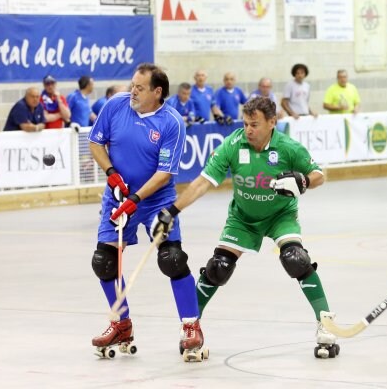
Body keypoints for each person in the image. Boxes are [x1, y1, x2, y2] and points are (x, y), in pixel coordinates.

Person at [151, 97, 340, 359]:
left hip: (280, 215)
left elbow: (319, 175)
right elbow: (202, 183)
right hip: (243, 218)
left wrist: (305, 181)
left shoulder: (288, 148)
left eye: (255, 124)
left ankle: (325, 323)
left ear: (272, 123)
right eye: (245, 123)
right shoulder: (233, 144)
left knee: (296, 259)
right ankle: (191, 326)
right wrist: (172, 211)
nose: (248, 130)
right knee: (218, 268)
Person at [88, 63, 205, 359]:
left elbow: (165, 174)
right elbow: (95, 142)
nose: (133, 92)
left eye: (139, 88)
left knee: (172, 258)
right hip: (118, 195)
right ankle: (121, 324)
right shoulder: (116, 106)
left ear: (157, 91)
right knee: (104, 261)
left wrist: (137, 198)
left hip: (155, 198)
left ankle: (191, 326)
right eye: (132, 85)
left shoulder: (171, 122)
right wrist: (111, 173)